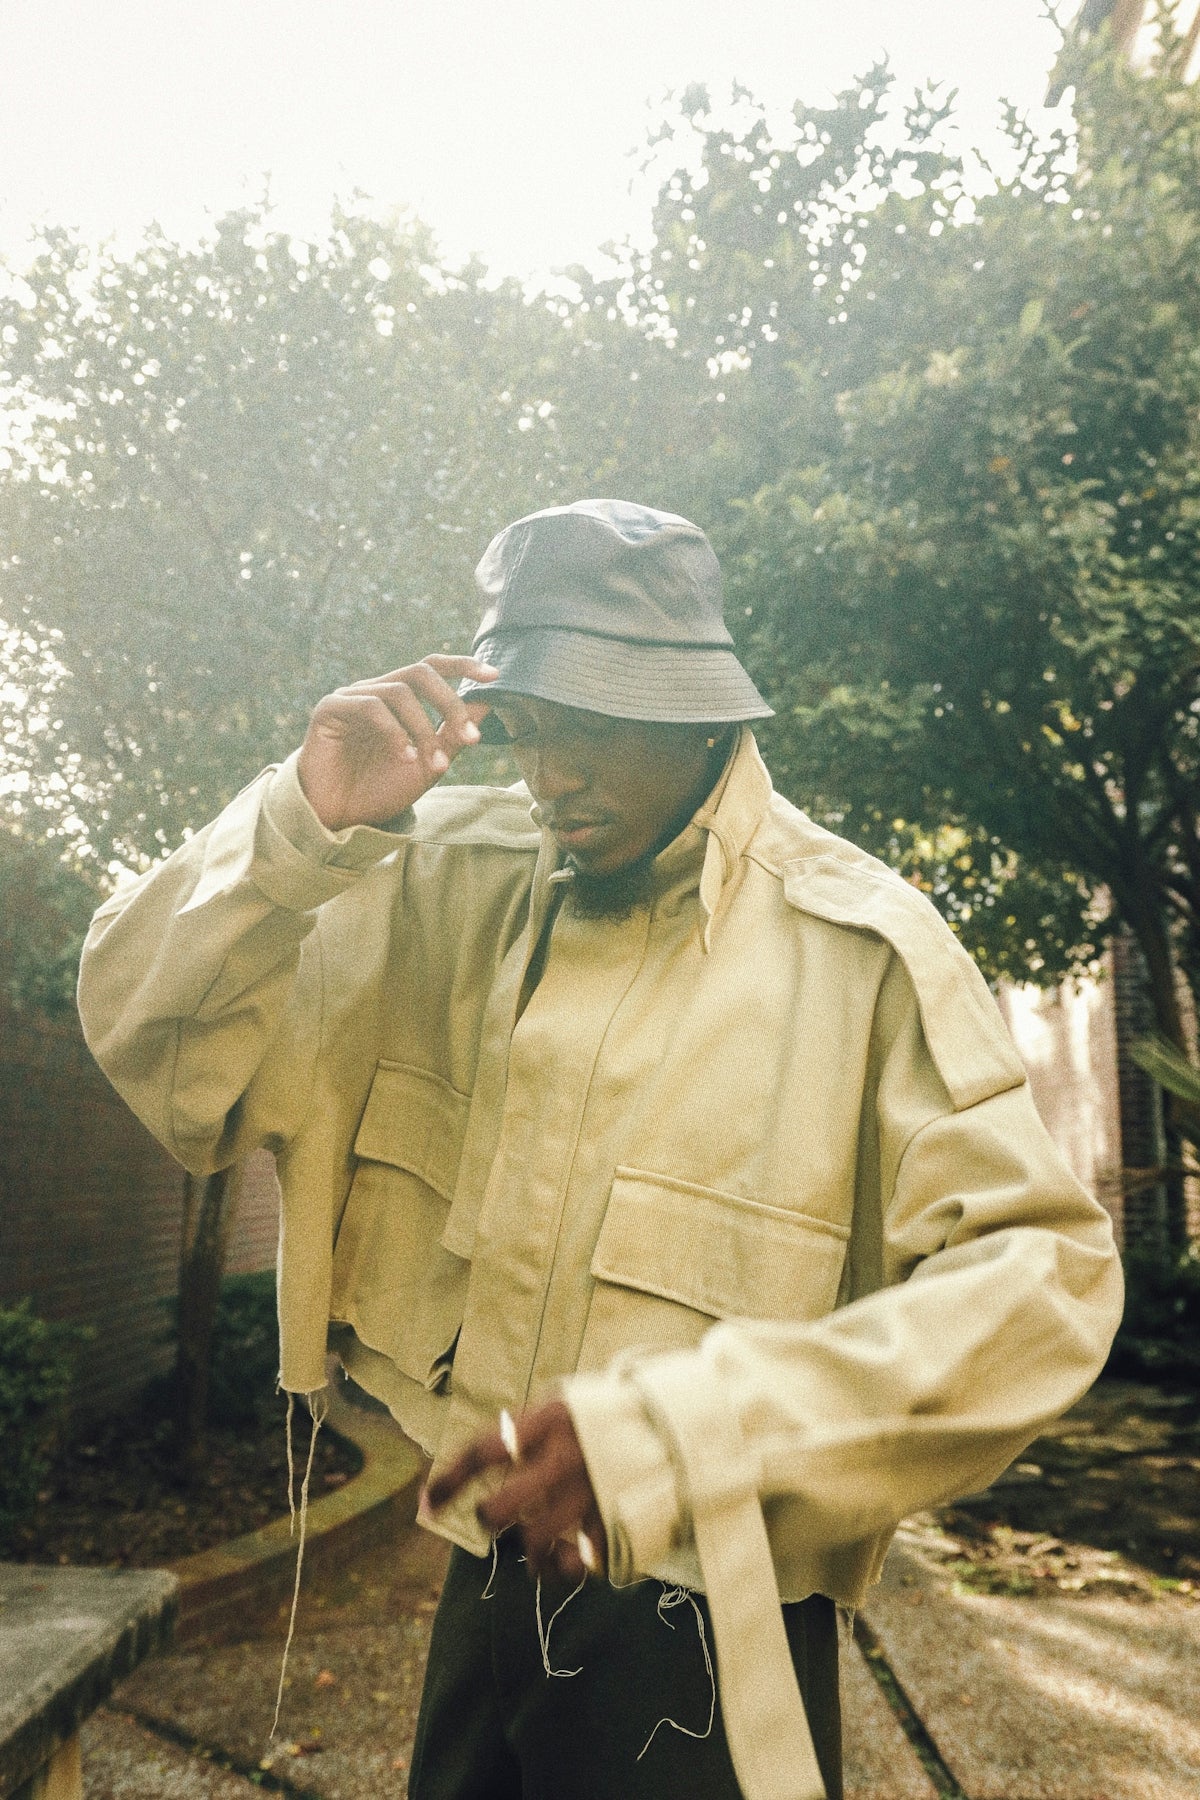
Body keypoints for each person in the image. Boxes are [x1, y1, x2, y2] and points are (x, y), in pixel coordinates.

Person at [78, 499, 1123, 1800]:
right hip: (490, 1573)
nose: (549, 774)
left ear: (698, 713)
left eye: (597, 721)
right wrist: (297, 823)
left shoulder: (860, 949)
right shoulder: (433, 882)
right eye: (527, 725)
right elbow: (143, 1029)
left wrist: (676, 1432)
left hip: (712, 1611)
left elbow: (1046, 1289)